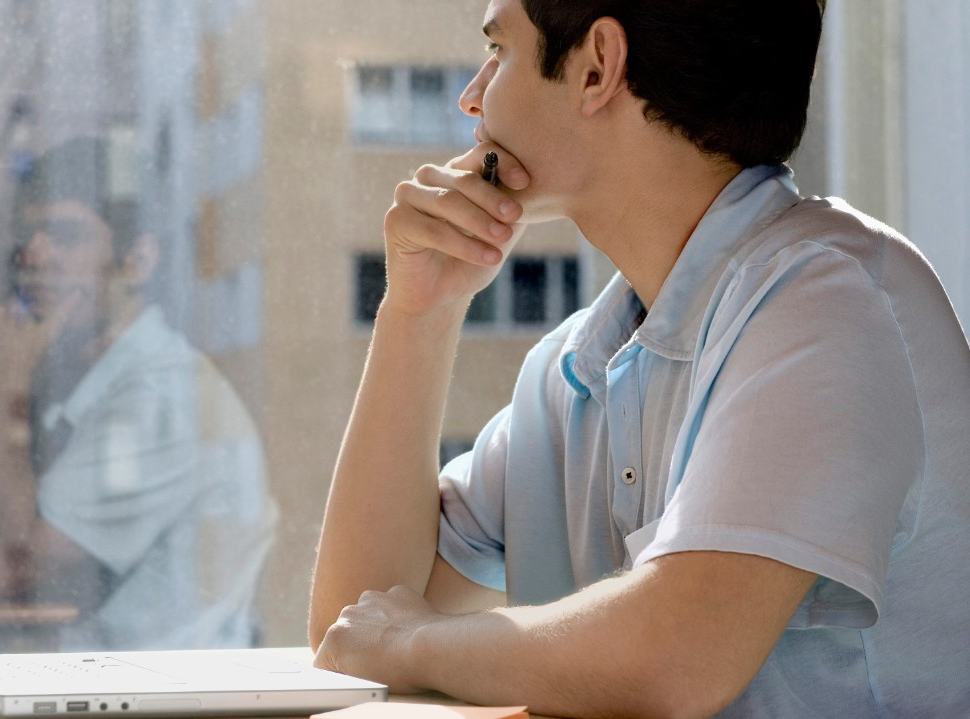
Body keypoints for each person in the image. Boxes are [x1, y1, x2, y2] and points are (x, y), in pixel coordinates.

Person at [308, 1, 970, 717]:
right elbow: (356, 623)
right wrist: (418, 314)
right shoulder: (574, 367)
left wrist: (417, 644)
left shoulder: (831, 300)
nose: (472, 95)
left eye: (498, 51)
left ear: (597, 67)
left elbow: (677, 657)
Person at [0, 137, 276, 651]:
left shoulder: (155, 397)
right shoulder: (106, 379)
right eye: (29, 234)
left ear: (137, 260)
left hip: (162, 700)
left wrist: (4, 381)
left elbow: (7, 565)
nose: (36, 254)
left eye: (66, 235)